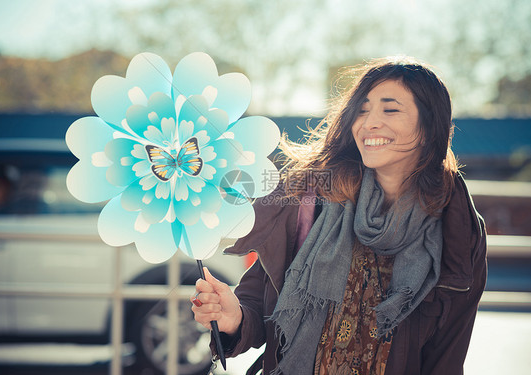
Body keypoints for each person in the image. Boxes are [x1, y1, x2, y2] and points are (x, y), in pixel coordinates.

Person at [192, 56, 487, 375]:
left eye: (390, 109)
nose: (369, 122)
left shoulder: (456, 225)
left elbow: (448, 354)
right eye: (362, 109)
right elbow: (259, 308)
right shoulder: (310, 196)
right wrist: (233, 316)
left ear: (430, 127)